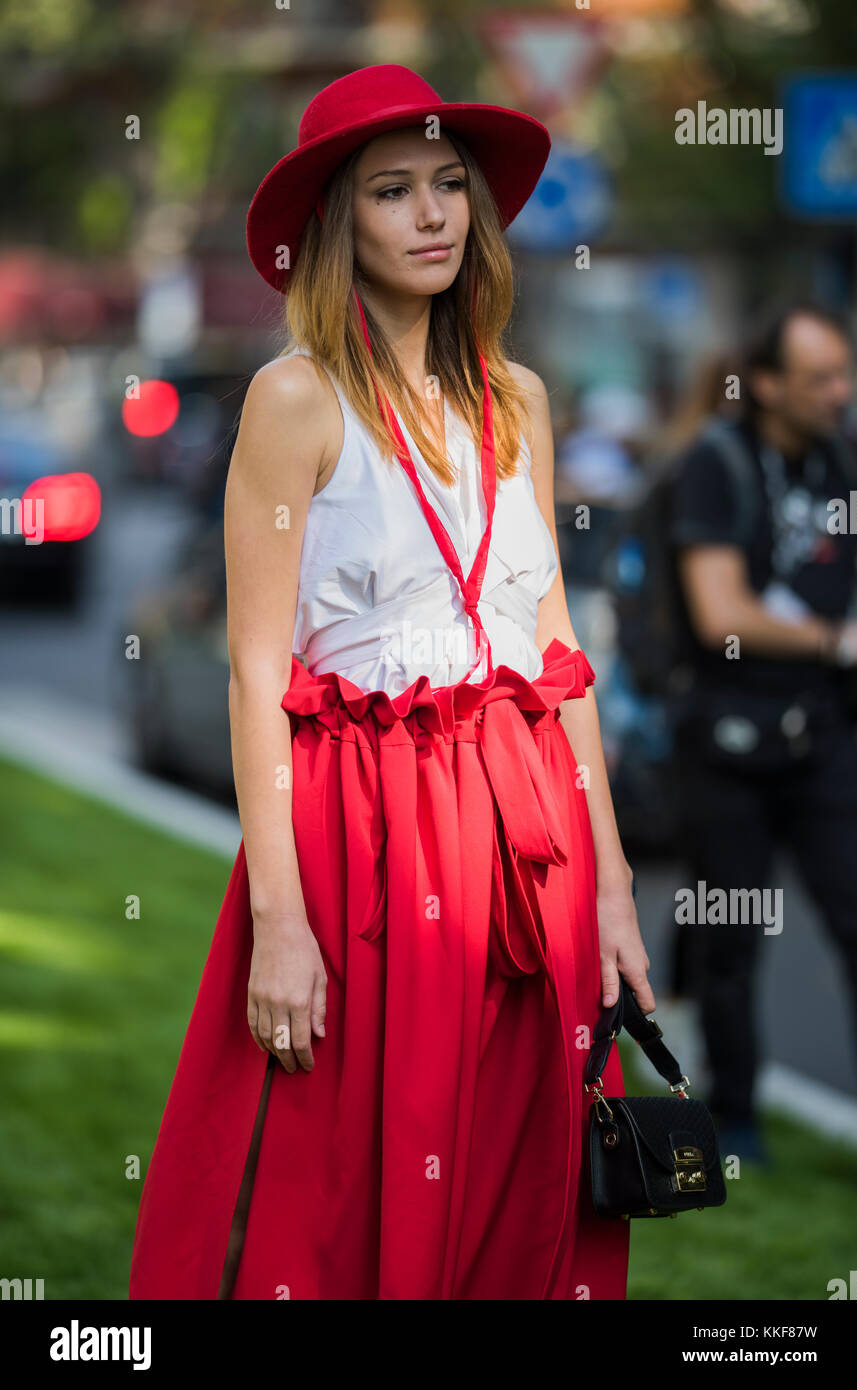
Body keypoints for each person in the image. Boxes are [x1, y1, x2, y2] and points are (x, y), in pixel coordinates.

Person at [127, 63, 653, 1302]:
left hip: (533, 842)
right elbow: (260, 670)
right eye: (392, 191)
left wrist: (616, 884)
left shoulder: (518, 398)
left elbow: (555, 653)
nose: (431, 215)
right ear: (336, 224)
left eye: (449, 186)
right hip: (367, 835)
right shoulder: (293, 399)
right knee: (347, 1184)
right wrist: (278, 917)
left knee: (516, 1187)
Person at [667, 299, 857, 1163]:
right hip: (727, 737)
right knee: (730, 937)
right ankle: (735, 1120)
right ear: (770, 384)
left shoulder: (842, 462)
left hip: (822, 729)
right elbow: (720, 615)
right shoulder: (717, 462)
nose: (840, 391)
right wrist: (837, 641)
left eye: (844, 373)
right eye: (820, 377)